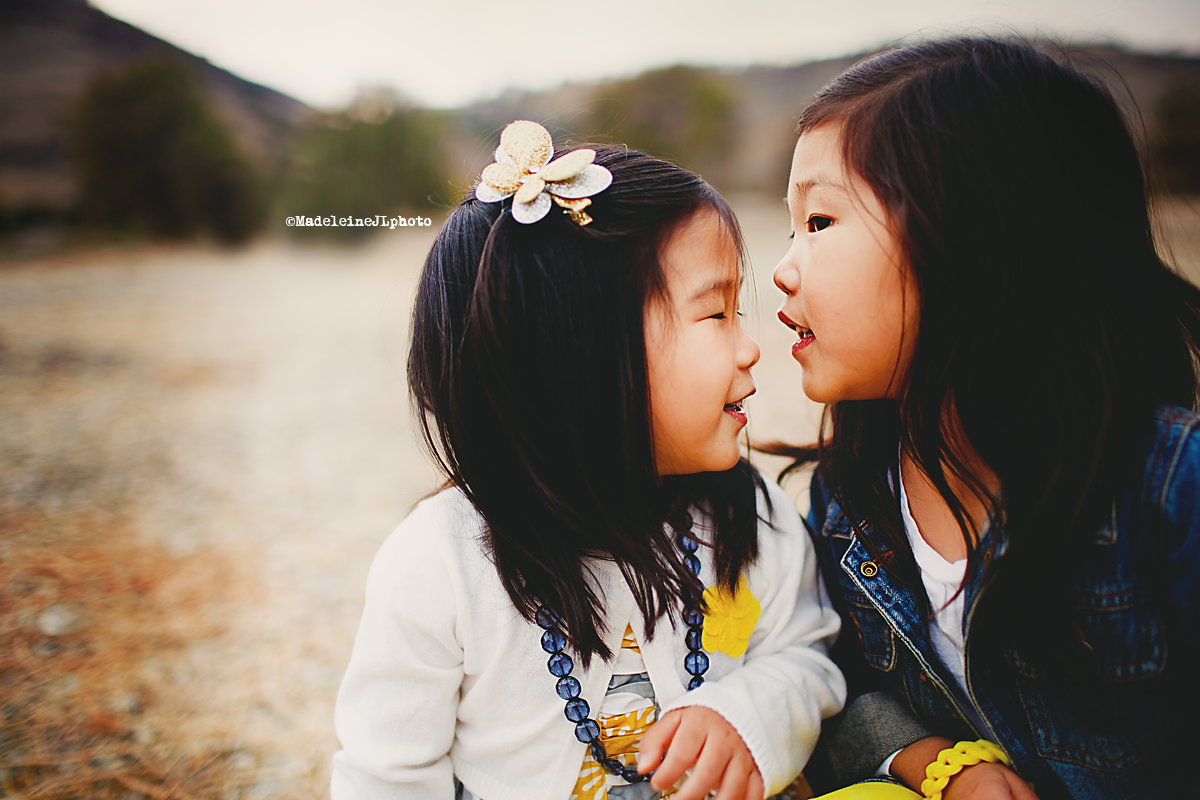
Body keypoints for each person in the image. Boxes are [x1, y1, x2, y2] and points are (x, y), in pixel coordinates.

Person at [332, 120, 846, 800]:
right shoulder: (441, 566)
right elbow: (386, 777)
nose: (751, 348)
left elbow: (807, 654)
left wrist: (744, 715)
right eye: (716, 314)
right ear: (587, 361)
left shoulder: (748, 516)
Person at [768, 38, 1200, 800]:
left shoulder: (1170, 491)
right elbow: (837, 689)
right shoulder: (849, 500)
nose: (784, 265)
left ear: (969, 235)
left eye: (821, 221)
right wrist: (936, 759)